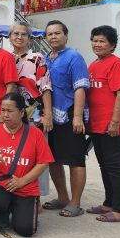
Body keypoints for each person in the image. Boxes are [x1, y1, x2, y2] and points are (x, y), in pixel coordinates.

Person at [0, 93, 54, 237]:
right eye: (2, 110)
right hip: (1, 184)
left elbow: (44, 162)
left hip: (26, 187)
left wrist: (22, 181)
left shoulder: (35, 134)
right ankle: (4, 210)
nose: (5, 115)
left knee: (25, 230)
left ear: (21, 112)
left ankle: (20, 209)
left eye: (10, 111)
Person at [43, 20, 89, 217]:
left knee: (75, 160)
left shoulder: (74, 57)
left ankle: (75, 203)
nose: (53, 37)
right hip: (51, 116)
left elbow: (80, 87)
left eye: (57, 33)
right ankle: (62, 197)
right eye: (50, 34)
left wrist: (77, 117)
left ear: (66, 35)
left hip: (70, 114)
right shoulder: (46, 58)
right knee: (53, 160)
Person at [86, 25, 120, 223]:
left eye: (102, 41)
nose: (97, 44)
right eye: (95, 40)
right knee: (104, 165)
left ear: (112, 45)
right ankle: (108, 203)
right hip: (97, 124)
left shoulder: (117, 64)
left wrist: (115, 122)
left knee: (113, 166)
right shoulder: (94, 65)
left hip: (111, 124)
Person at [9, 22, 53, 199]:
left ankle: (36, 196)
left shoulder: (37, 58)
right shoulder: (6, 58)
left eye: (23, 34)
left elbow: (46, 87)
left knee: (37, 155)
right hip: (12, 115)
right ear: (10, 37)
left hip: (35, 114)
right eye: (16, 34)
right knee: (16, 154)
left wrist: (48, 114)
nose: (19, 37)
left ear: (29, 37)